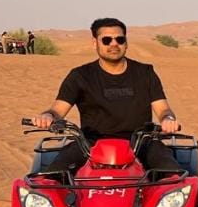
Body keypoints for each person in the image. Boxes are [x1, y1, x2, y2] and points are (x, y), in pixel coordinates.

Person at [31, 17, 182, 175]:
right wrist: (47, 116)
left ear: (126, 43)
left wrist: (168, 119)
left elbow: (163, 109)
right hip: (90, 144)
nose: (114, 44)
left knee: (174, 177)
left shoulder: (145, 73)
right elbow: (57, 110)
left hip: (141, 142)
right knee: (51, 178)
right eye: (107, 40)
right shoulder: (80, 76)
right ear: (95, 43)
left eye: (120, 39)